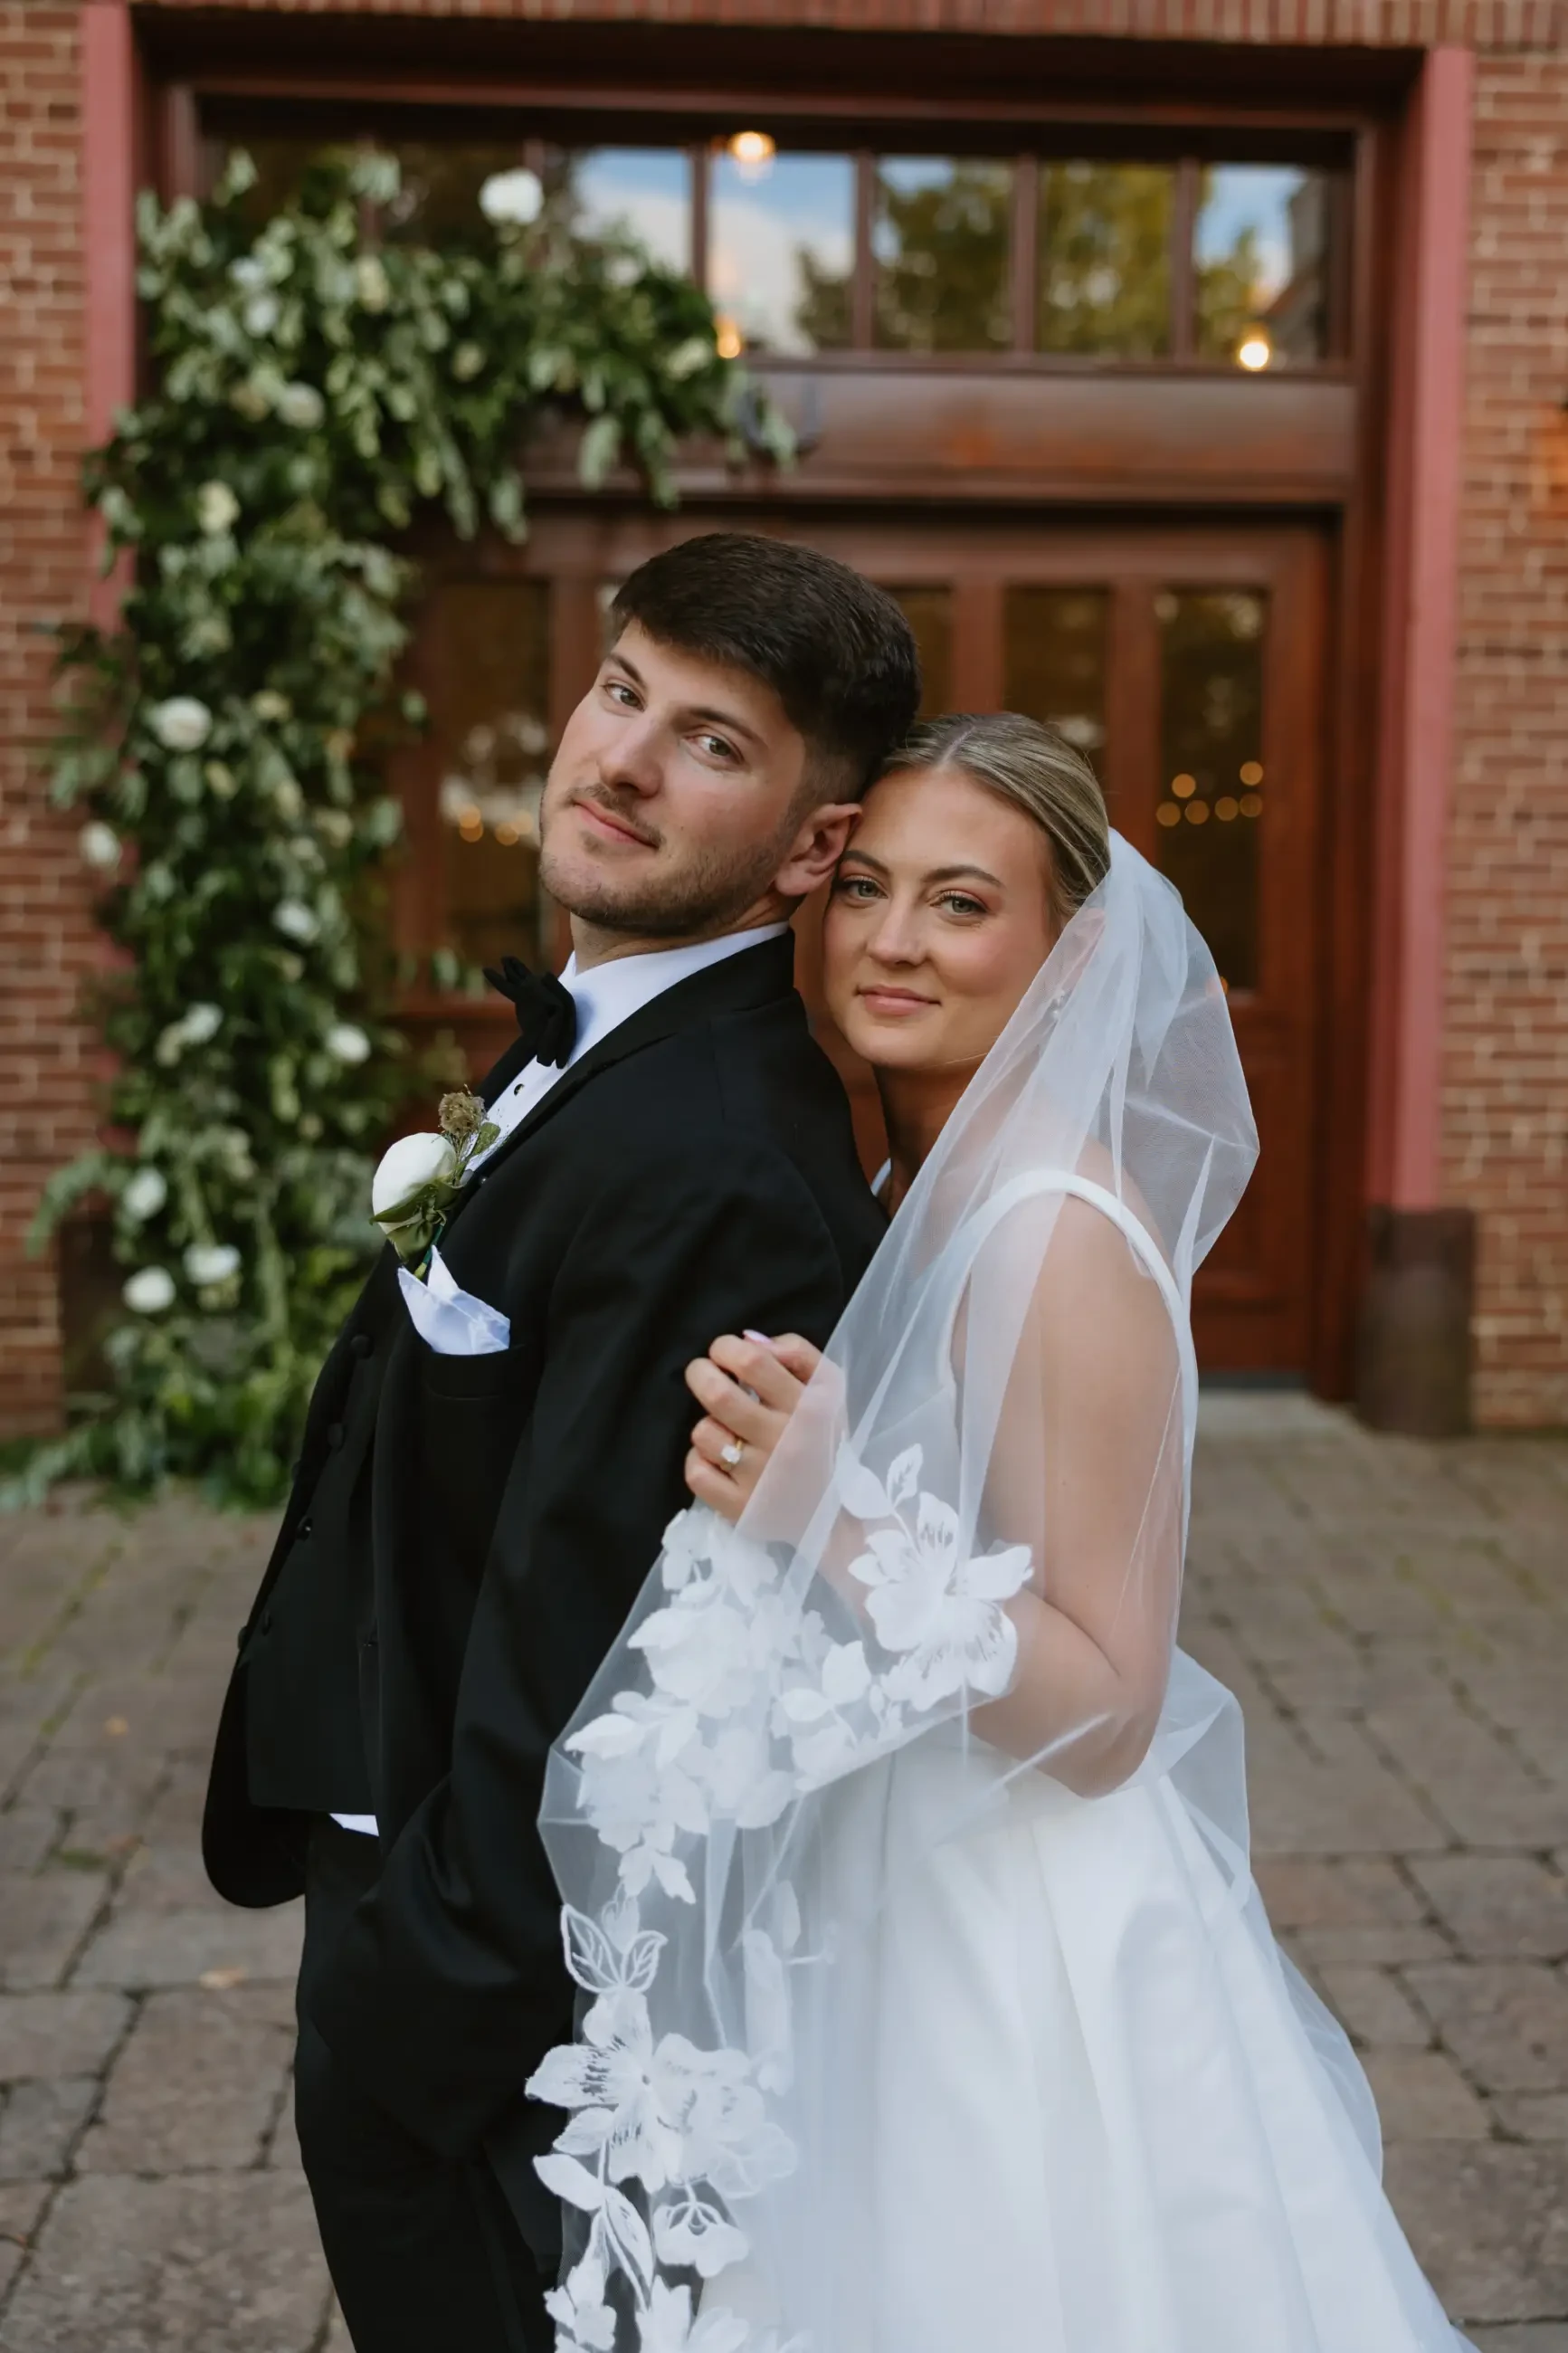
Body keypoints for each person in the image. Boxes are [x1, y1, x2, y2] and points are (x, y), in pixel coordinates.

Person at [529, 714, 1473, 2352]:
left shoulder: (1057, 1232)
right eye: (867, 889)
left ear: (1071, 945)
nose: (893, 940)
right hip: (889, 1854)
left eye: (962, 904)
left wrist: (838, 1512)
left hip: (1015, 1921)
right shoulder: (920, 1182)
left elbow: (1110, 1711)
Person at [201, 531, 920, 2352]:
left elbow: (597, 1673)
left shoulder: (717, 1171)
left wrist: (400, 2028)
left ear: (813, 843)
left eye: (711, 741)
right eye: (620, 693)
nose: (618, 757)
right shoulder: (614, 1054)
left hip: (478, 2019)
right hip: (411, 1878)